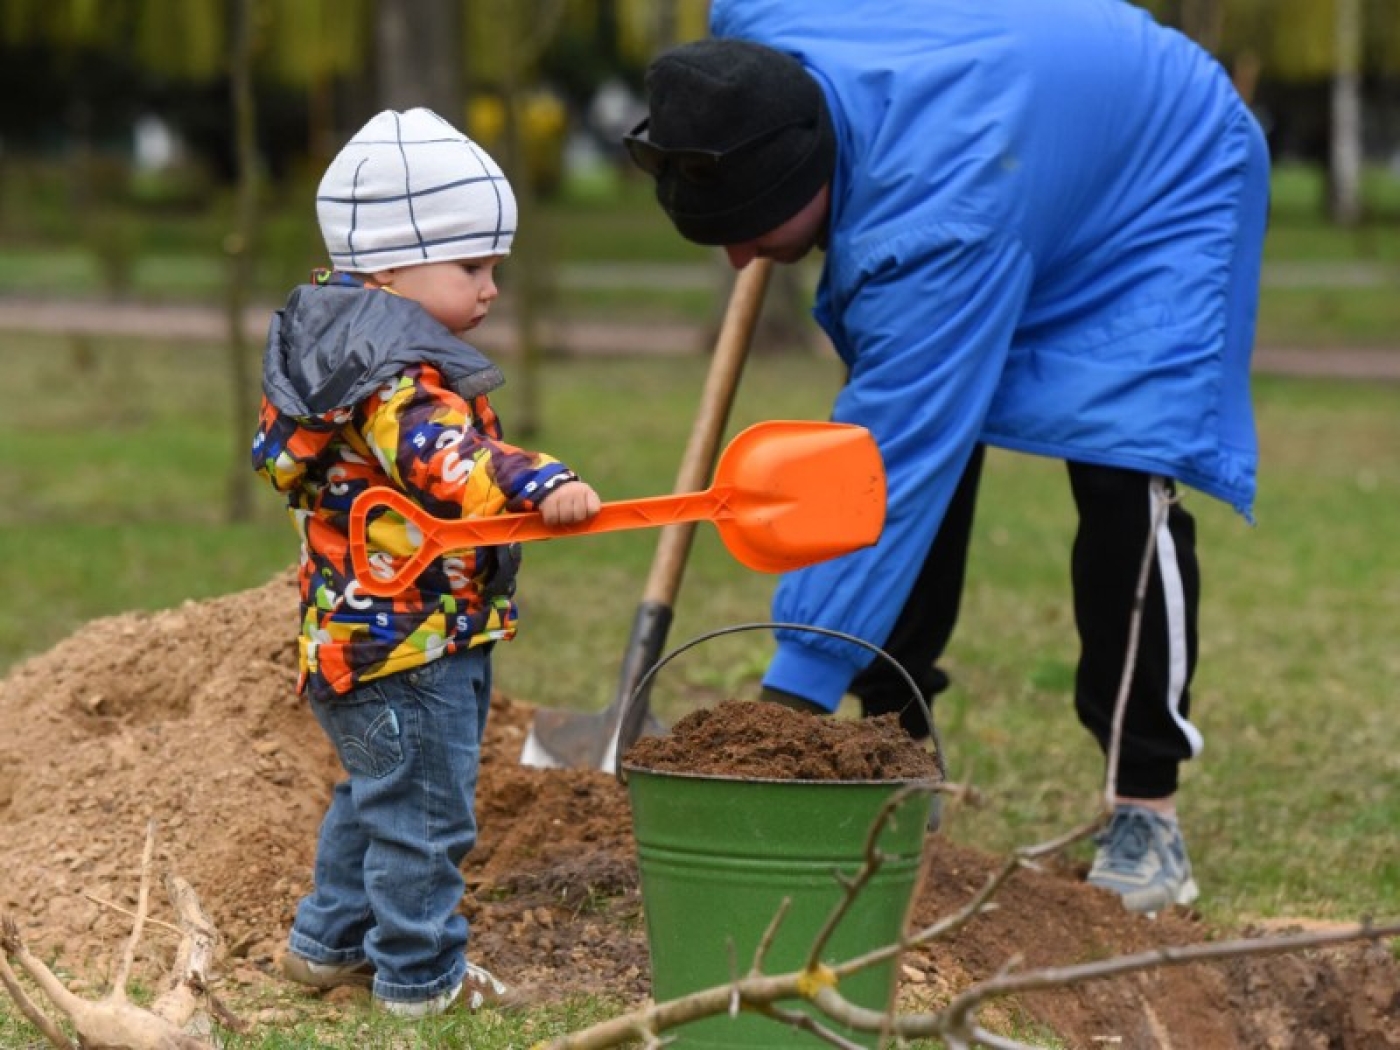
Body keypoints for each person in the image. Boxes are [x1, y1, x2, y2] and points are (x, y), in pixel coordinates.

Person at [624, 0, 1269, 915]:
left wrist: (780, 717)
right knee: (924, 450)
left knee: (1126, 472)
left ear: (814, 169)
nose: (739, 261)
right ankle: (895, 751)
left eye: (754, 231)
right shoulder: (761, 36)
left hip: (1164, 170)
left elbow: (887, 467)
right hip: (1022, 143)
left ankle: (1145, 813)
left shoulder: (933, 228)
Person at [251, 107, 601, 1015]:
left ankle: (326, 946)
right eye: (472, 267)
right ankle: (421, 980)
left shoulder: (341, 354)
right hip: (409, 644)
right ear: (391, 272)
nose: (490, 289)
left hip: (359, 638)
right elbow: (446, 463)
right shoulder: (392, 375)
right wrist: (538, 482)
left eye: (496, 268)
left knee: (376, 797)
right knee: (427, 818)